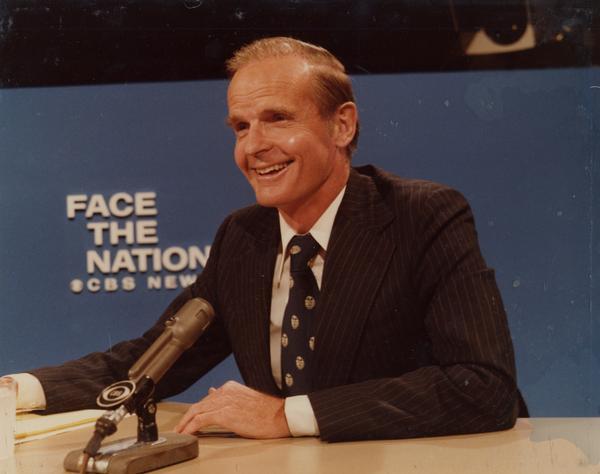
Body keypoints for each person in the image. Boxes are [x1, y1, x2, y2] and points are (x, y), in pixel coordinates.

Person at [9, 37, 525, 442]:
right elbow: (149, 362)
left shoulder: (421, 215)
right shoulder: (244, 237)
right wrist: (17, 392)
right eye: (240, 126)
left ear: (342, 125)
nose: (254, 146)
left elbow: (483, 386)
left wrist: (286, 415)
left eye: (277, 118)